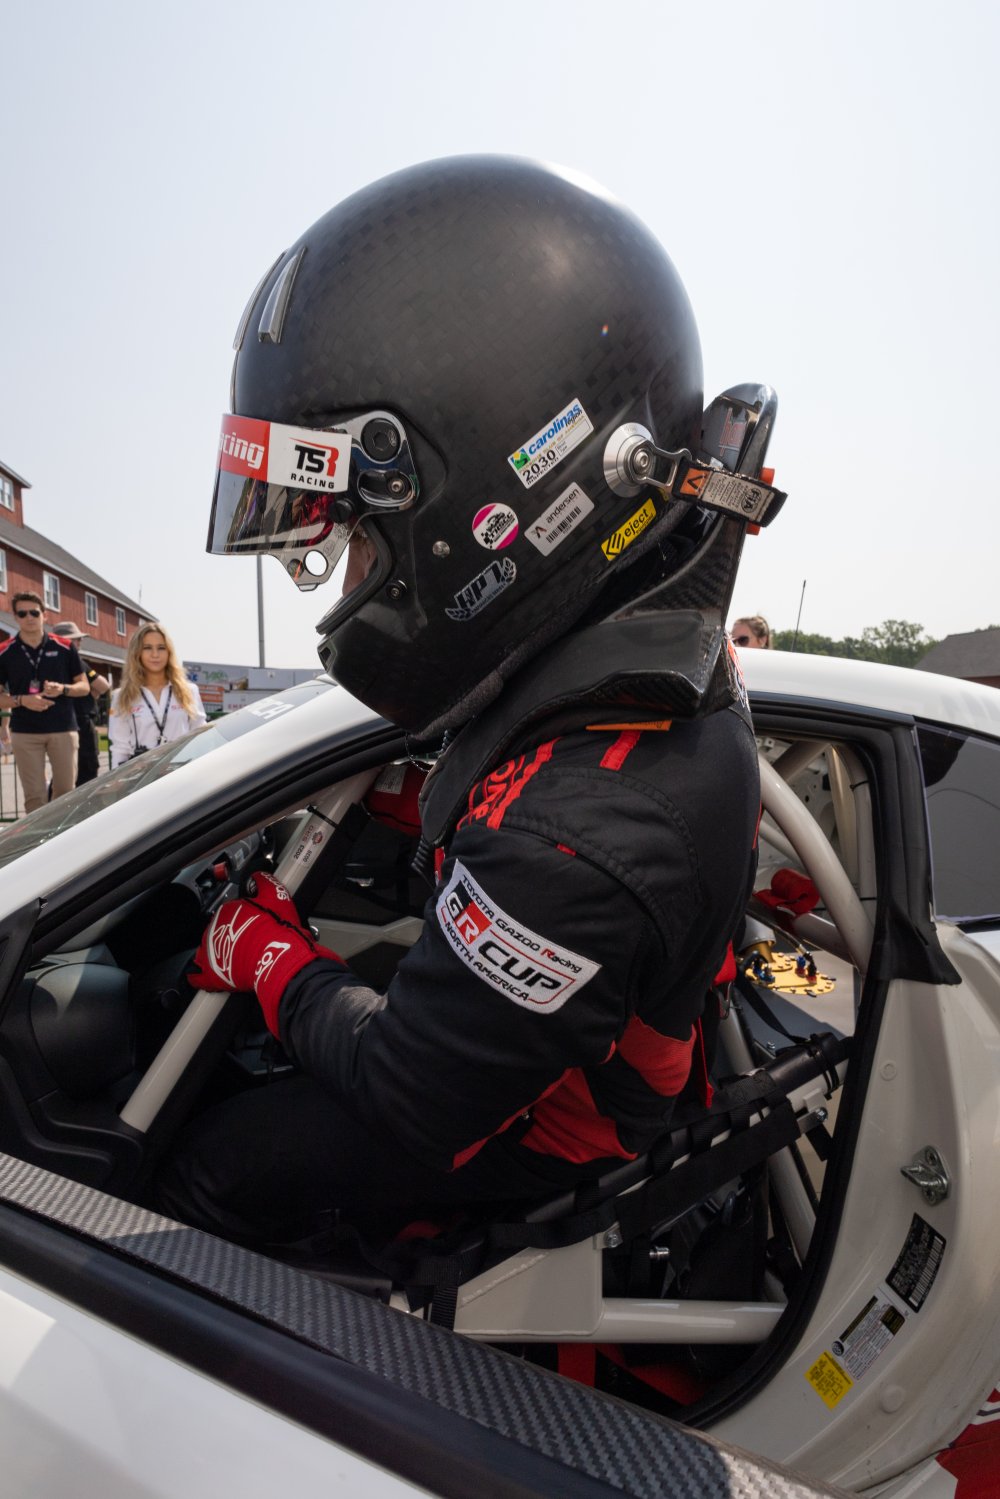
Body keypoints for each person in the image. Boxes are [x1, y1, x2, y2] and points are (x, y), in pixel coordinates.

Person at [156, 156, 787, 1248]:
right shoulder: (603, 669)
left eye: (357, 536)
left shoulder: (580, 834)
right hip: (582, 1043)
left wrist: (266, 957)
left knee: (213, 1163)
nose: (348, 580)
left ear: (485, 507)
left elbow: (408, 1091)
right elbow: (507, 778)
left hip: (560, 1130)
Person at [0, 592, 90, 812]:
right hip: (25, 732)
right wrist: (22, 700)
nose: (29, 617)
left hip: (63, 729)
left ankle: (65, 833)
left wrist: (63, 689)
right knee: (34, 796)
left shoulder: (65, 647)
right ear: (15, 617)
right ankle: (39, 836)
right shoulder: (5, 651)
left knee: (66, 792)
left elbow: (84, 687)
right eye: (22, 613)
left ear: (44, 615)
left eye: (34, 612)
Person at [109, 623, 206, 767]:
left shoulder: (189, 691)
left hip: (182, 771)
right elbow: (120, 748)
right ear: (137, 653)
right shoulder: (122, 696)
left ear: (169, 652)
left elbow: (200, 736)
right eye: (147, 648)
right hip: (142, 774)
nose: (155, 654)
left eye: (161, 648)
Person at [52, 622, 111, 784]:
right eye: (76, 639)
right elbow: (103, 686)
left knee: (64, 773)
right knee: (87, 771)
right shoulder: (77, 662)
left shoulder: (49, 664)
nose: (80, 642)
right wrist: (90, 693)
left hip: (59, 724)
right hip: (81, 723)